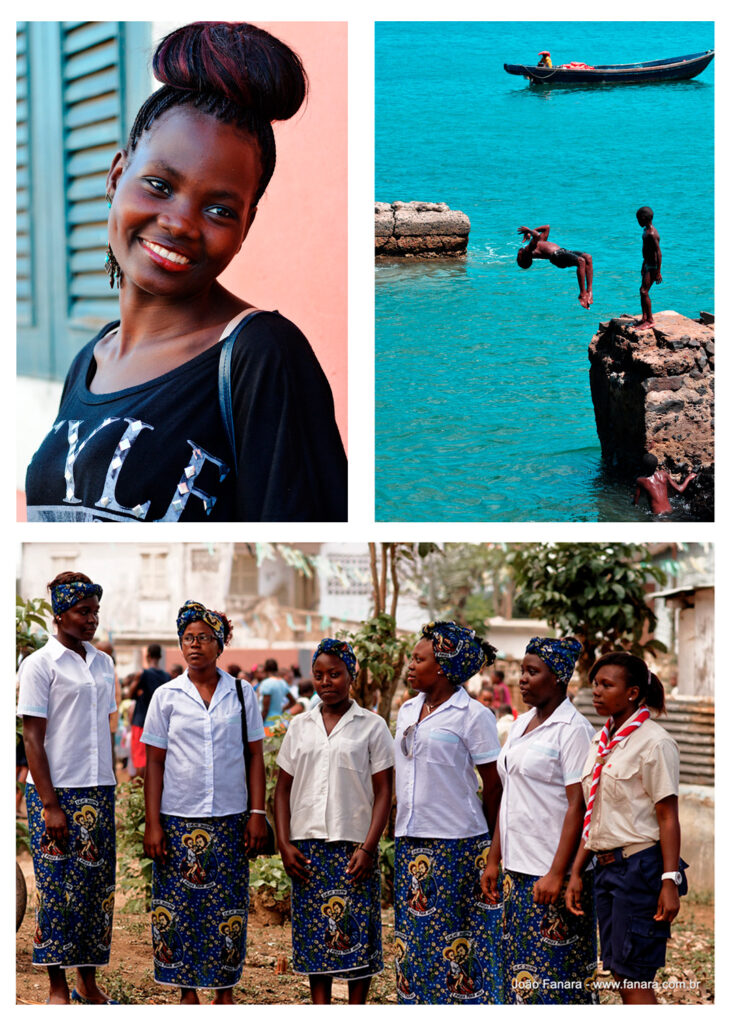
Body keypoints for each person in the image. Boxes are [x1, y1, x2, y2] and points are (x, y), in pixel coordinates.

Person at [24, 21, 346, 523]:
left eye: (219, 210)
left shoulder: (262, 357)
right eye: (158, 184)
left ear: (246, 226)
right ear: (116, 175)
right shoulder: (90, 360)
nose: (179, 223)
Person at [142, 600, 267, 1004]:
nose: (195, 645)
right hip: (178, 820)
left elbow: (255, 756)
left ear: (220, 644)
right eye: (188, 638)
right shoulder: (166, 697)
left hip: (230, 820)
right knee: (181, 910)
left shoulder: (243, 694)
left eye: (204, 638)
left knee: (227, 910)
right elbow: (155, 763)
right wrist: (154, 823)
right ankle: (187, 994)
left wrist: (257, 815)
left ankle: (224, 993)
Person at [274, 638, 394, 1004]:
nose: (326, 682)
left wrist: (369, 848)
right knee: (316, 938)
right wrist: (284, 843)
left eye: (335, 674)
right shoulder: (299, 726)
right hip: (307, 849)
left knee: (357, 935)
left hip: (354, 849)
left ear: (351, 676)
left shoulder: (372, 727)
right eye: (319, 675)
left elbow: (385, 792)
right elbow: (281, 791)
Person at [17, 572, 117, 1004]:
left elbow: (103, 731)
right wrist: (51, 804)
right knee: (57, 890)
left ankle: (87, 984)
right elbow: (32, 739)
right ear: (60, 614)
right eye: (83, 611)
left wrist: (110, 783)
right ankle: (58, 988)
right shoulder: (40, 664)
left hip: (98, 790)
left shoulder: (104, 663)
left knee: (96, 891)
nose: (92, 619)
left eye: (95, 611)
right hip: (55, 793)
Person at [566, 652, 687, 1005]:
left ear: (633, 693)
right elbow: (597, 815)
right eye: (595, 685)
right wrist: (577, 870)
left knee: (633, 975)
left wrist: (669, 881)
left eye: (607, 685)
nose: (597, 693)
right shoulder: (601, 741)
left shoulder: (656, 743)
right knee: (620, 969)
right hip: (606, 868)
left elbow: (667, 817)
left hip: (639, 868)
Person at [482, 637, 597, 1004]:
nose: (523, 680)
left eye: (533, 672)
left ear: (559, 678)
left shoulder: (573, 730)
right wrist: (494, 858)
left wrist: (557, 873)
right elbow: (509, 796)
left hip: (551, 873)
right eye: (522, 671)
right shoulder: (521, 724)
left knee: (556, 978)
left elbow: (577, 806)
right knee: (520, 976)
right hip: (517, 870)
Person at [394, 621, 503, 1004]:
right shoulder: (408, 709)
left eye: (418, 659)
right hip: (410, 842)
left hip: (458, 845)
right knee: (414, 943)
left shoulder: (473, 716)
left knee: (458, 941)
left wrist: (493, 849)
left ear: (442, 667)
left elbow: (493, 786)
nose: (410, 664)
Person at [516, 225, 593, 308]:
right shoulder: (528, 251)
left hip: (563, 251)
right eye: (518, 255)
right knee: (581, 261)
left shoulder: (538, 243)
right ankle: (582, 294)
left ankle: (589, 291)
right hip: (557, 256)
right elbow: (537, 235)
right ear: (523, 257)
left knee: (588, 257)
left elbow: (546, 228)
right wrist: (529, 231)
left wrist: (531, 232)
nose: (518, 252)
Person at [130, 643, 171, 779]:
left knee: (140, 762)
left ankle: (139, 796)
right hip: (160, 723)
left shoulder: (143, 673)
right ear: (160, 656)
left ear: (147, 656)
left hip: (141, 721)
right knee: (155, 761)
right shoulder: (167, 677)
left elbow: (130, 694)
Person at [635, 206, 662, 330]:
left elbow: (658, 253)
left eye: (639, 219)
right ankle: (644, 317)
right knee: (642, 291)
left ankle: (650, 320)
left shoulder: (651, 233)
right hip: (647, 264)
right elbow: (647, 251)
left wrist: (658, 272)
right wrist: (643, 265)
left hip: (653, 266)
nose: (638, 222)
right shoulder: (645, 230)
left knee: (644, 291)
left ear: (644, 218)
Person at [259, 658, 297, 733]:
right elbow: (293, 701)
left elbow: (265, 709)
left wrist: (259, 724)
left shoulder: (266, 683)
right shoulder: (282, 682)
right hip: (279, 724)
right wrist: (281, 709)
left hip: (268, 725)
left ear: (265, 669)